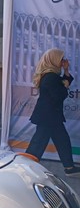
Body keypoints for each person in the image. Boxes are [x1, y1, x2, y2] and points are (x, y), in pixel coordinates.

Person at [25, 48, 80, 177]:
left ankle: (69, 167)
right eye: (61, 59)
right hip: (48, 116)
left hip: (50, 115)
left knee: (61, 140)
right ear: (53, 59)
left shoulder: (52, 75)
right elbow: (59, 94)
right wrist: (65, 86)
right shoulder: (50, 77)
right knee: (39, 142)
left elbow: (63, 82)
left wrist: (66, 71)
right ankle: (25, 166)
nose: (63, 61)